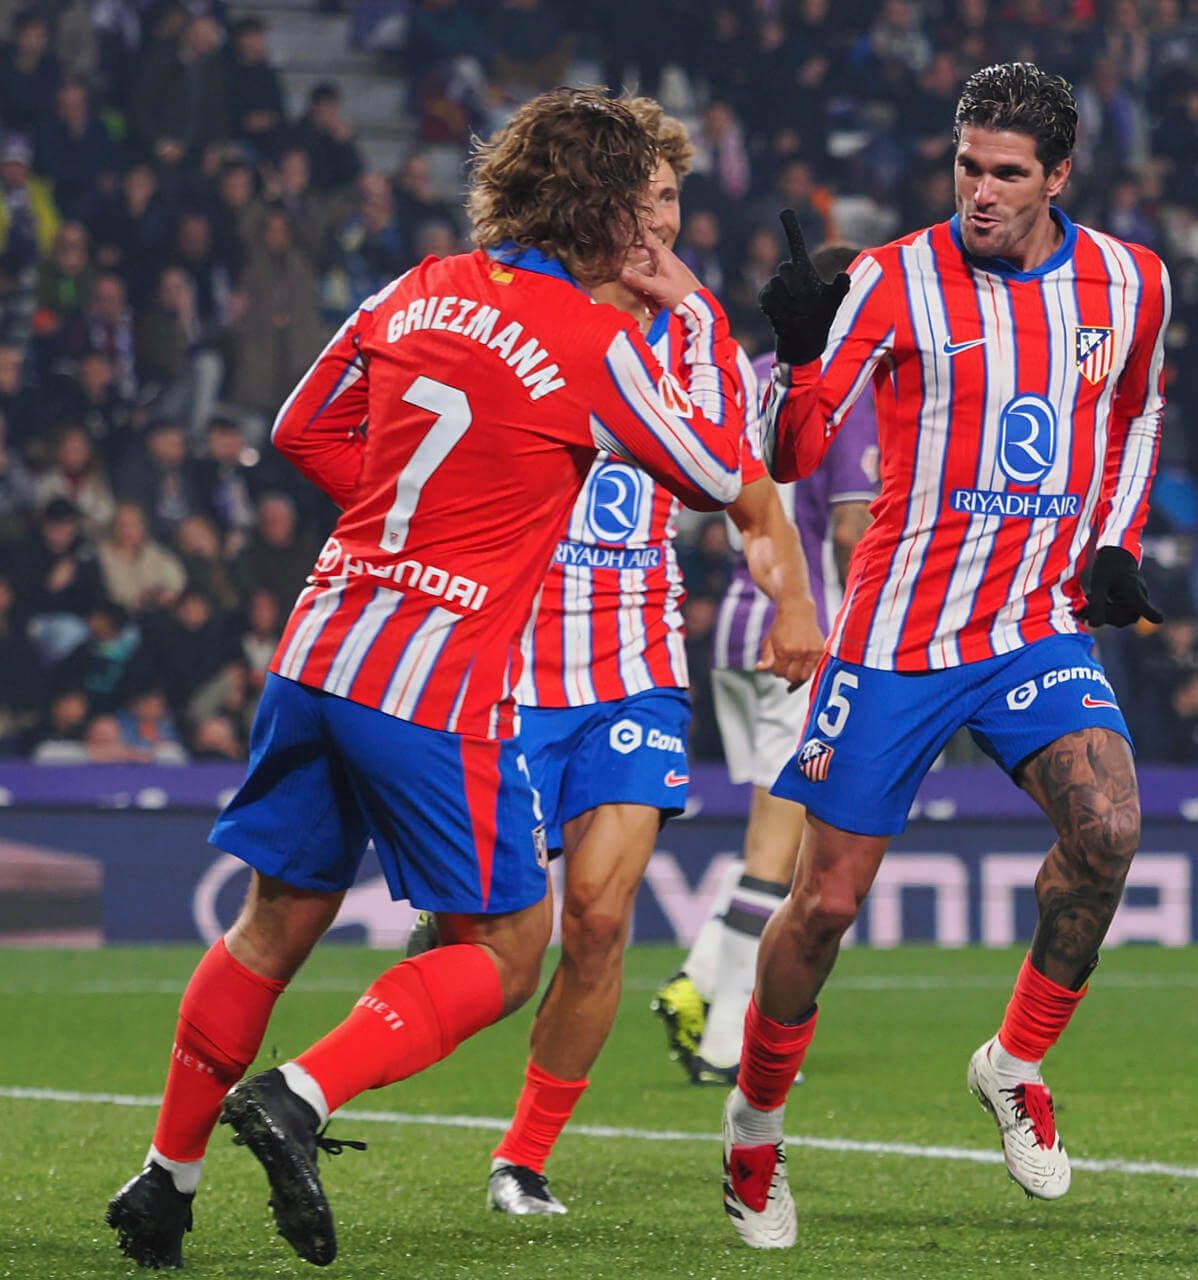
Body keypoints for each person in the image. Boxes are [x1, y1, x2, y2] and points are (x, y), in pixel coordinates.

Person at [104, 89, 749, 1270]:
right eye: (636, 205)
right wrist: (693, 311)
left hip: (319, 643)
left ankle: (165, 1178)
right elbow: (714, 472)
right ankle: (300, 1093)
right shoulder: (594, 340)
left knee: (272, 921)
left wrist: (407, 527)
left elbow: (299, 427)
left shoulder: (415, 286)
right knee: (509, 946)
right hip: (433, 681)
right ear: (601, 211)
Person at [722, 62, 1170, 1248]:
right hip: (899, 636)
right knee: (825, 902)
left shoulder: (1132, 280)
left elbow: (1137, 410)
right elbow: (790, 450)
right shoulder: (893, 279)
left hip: (1032, 623)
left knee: (1110, 828)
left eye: (1007, 173)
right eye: (968, 165)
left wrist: (1116, 538)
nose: (980, 190)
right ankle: (754, 1127)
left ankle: (1013, 1061)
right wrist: (800, 350)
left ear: (1059, 174)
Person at [417, 100, 823, 1219]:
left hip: (633, 664)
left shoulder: (691, 336)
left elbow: (744, 483)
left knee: (599, 916)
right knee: (489, 938)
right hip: (505, 664)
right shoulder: (524, 316)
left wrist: (792, 597)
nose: (658, 224)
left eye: (672, 201)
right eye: (640, 202)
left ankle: (524, 1157)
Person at [653, 241, 879, 1089]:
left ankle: (700, 977)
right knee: (783, 851)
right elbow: (852, 529)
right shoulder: (845, 382)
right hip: (803, 635)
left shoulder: (748, 377)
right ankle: (725, 1038)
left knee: (774, 838)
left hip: (738, 632)